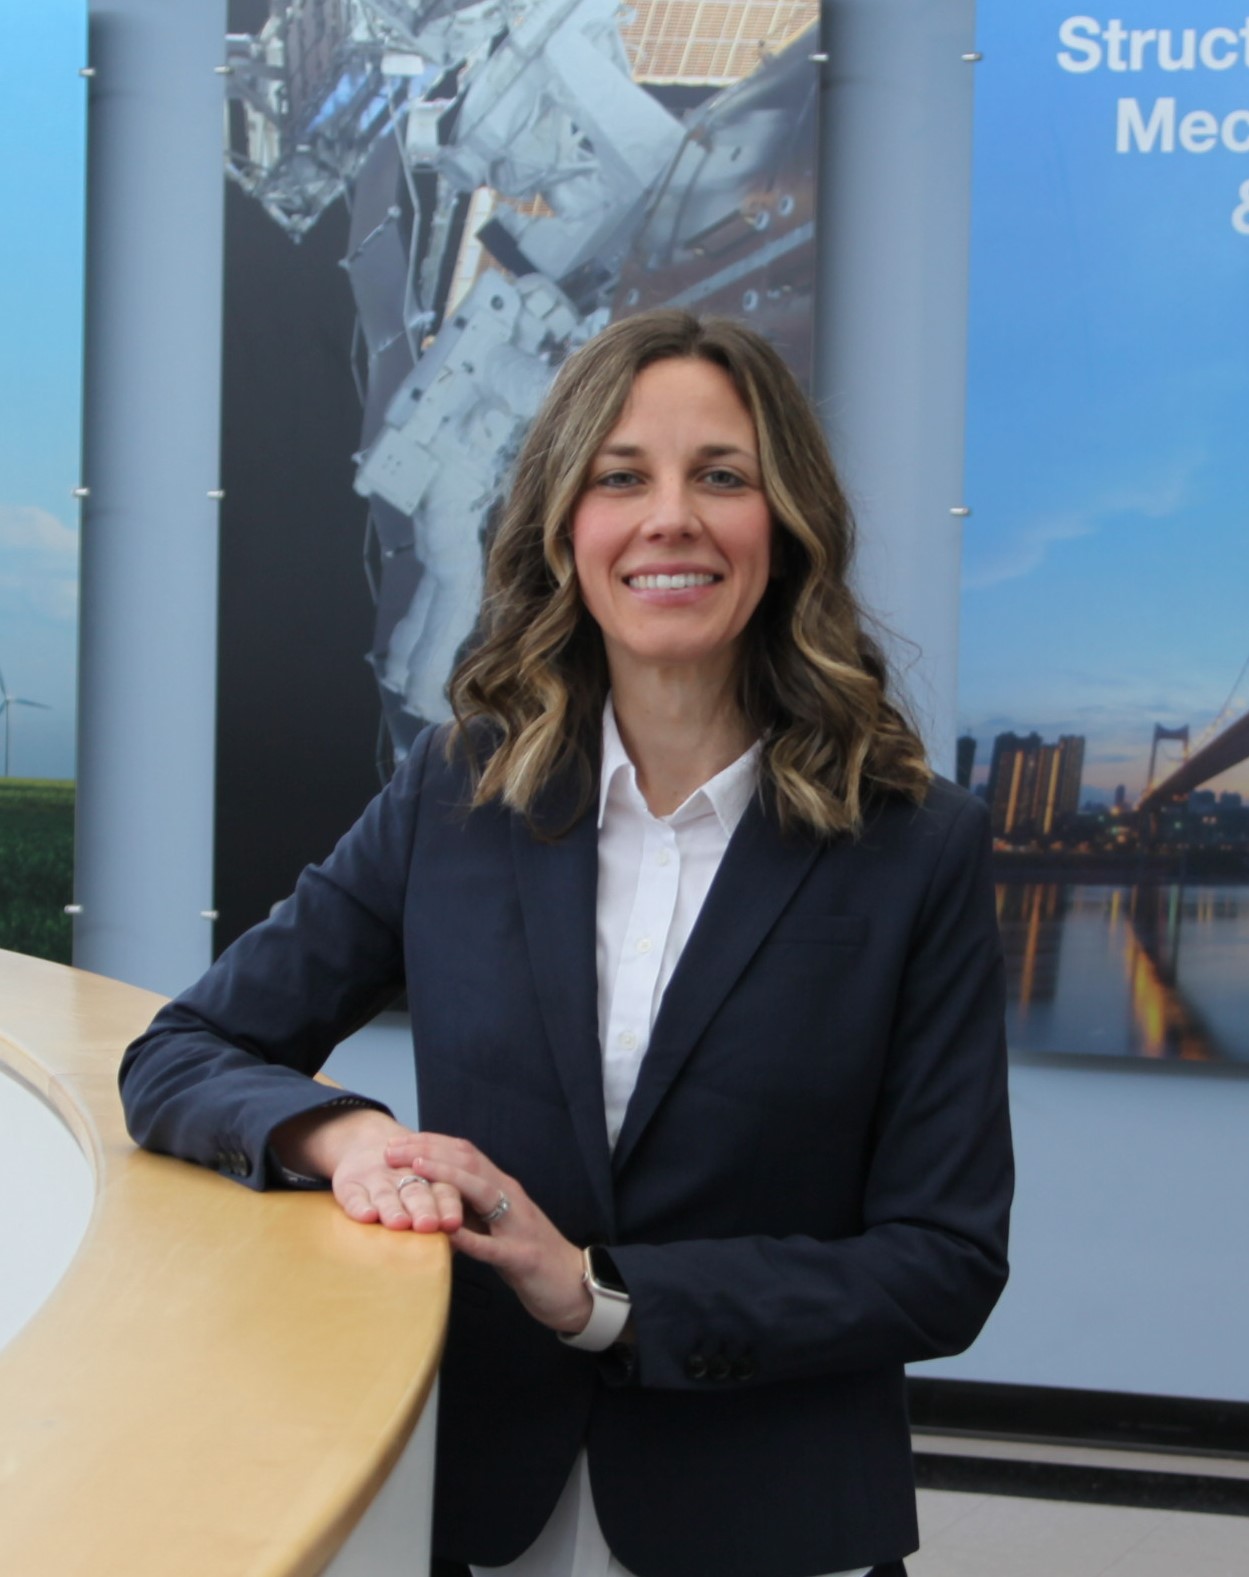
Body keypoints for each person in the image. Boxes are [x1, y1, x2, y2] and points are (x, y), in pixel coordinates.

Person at [120, 309, 1012, 1577]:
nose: (670, 519)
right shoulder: (455, 795)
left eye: (722, 475)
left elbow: (943, 1261)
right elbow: (183, 1049)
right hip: (476, 1498)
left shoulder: (914, 846)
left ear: (789, 526)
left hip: (770, 1521)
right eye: (620, 477)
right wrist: (348, 1135)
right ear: (564, 527)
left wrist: (602, 1301)